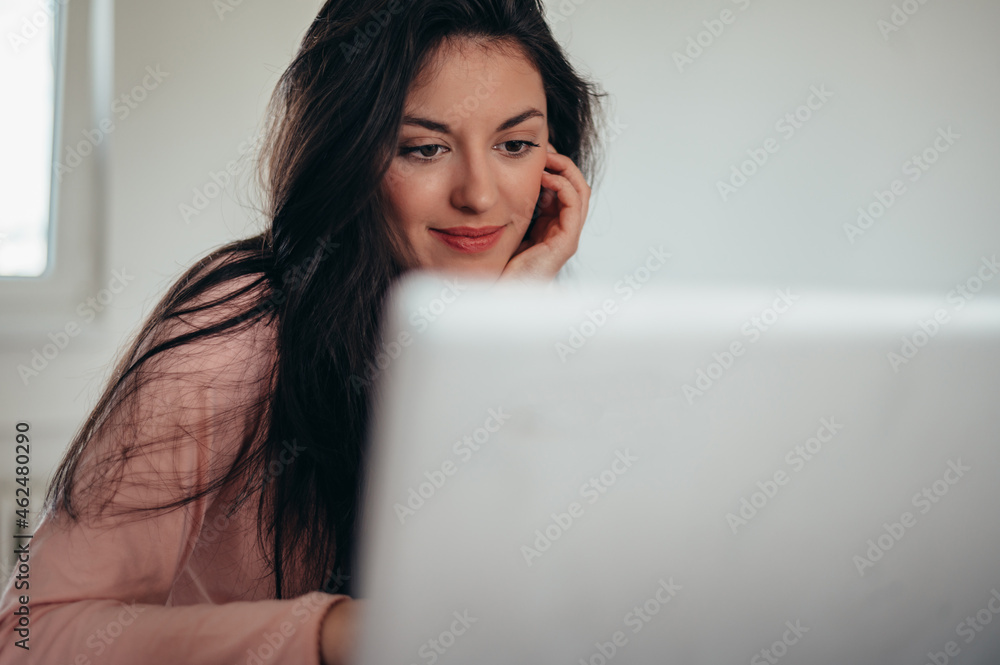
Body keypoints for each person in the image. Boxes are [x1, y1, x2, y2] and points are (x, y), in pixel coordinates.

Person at [0, 0, 605, 663]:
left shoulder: (542, 327)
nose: (480, 195)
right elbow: (28, 636)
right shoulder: (234, 334)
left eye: (514, 145)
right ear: (351, 155)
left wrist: (497, 335)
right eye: (424, 148)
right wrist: (334, 632)